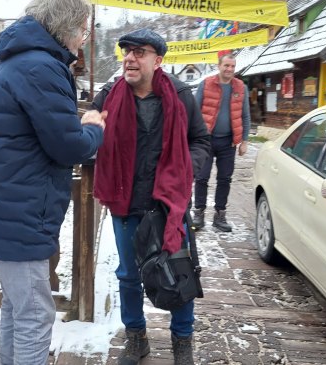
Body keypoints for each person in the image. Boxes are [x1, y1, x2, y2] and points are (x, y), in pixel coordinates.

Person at [0, 0, 107, 365]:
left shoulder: (16, 60)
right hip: (20, 213)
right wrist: (93, 127)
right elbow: (68, 146)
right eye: (83, 31)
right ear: (66, 28)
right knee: (35, 315)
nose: (82, 40)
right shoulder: (41, 67)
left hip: (3, 206)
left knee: (17, 308)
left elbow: (37, 128)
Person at [92, 28, 210, 365]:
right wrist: (87, 124)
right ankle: (136, 339)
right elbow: (88, 128)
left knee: (179, 270)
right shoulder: (108, 95)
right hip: (125, 203)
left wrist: (183, 170)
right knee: (129, 275)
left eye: (139, 52)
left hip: (167, 204)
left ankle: (182, 343)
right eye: (126, 52)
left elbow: (200, 141)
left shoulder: (180, 94)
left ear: (157, 60)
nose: (129, 58)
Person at [192, 52, 250, 232]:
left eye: (232, 66)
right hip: (206, 140)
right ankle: (199, 213)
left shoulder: (241, 87)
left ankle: (220, 215)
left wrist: (244, 140)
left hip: (228, 142)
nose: (230, 69)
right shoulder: (206, 84)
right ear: (219, 66)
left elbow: (245, 115)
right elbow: (194, 111)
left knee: (225, 178)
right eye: (226, 66)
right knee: (202, 177)